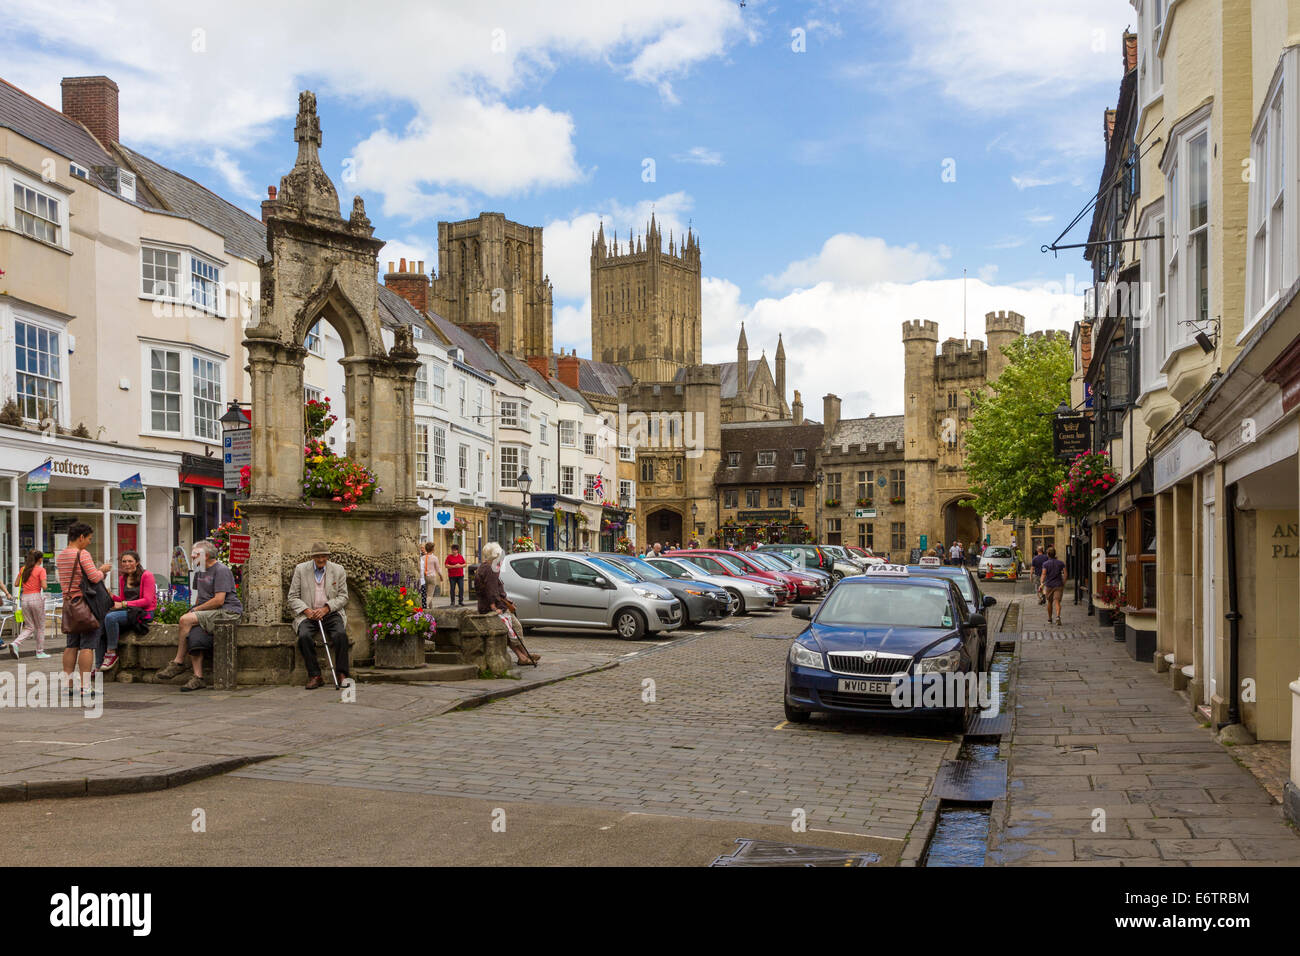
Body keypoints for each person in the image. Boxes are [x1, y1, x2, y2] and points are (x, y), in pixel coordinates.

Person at [155, 541, 242, 692]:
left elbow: (219, 600)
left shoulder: (221, 570)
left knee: (185, 619)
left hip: (227, 611)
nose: (191, 556)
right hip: (208, 612)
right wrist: (195, 609)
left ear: (206, 555)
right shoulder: (200, 569)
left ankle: (179, 662)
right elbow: (199, 597)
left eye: (195, 554)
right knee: (194, 636)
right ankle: (198, 677)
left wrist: (195, 611)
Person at [57, 522, 111, 699]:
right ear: (81, 537)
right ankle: (86, 687)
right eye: (88, 538)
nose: (89, 542)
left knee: (71, 644)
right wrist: (102, 570)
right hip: (86, 605)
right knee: (88, 645)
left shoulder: (62, 555)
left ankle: (67, 685)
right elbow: (94, 577)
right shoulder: (82, 554)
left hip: (69, 604)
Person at [287, 542, 350, 690]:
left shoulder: (338, 570)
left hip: (331, 612)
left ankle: (342, 674)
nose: (321, 560)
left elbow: (343, 597)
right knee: (304, 637)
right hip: (308, 613)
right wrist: (306, 610)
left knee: (340, 635)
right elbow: (292, 597)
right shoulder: (301, 570)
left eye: (324, 556)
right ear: (313, 557)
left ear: (328, 556)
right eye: (317, 557)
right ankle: (315, 675)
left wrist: (327, 608)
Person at [475, 542, 539, 665]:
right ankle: (524, 656)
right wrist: (494, 607)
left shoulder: (485, 566)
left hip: (489, 606)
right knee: (515, 629)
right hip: (495, 607)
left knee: (511, 632)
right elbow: (491, 590)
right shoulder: (490, 569)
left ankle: (523, 656)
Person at [98, 550, 156, 671]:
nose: (126, 564)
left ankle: (111, 652)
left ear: (137, 562)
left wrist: (123, 604)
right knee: (100, 625)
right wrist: (112, 596)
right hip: (129, 612)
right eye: (124, 561)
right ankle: (98, 666)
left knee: (111, 618)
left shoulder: (147, 576)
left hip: (144, 613)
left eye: (130, 561)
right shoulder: (122, 578)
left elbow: (147, 601)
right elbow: (123, 600)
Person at [9, 549, 50, 659]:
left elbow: (16, 584)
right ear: (40, 559)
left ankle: (16, 643)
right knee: (40, 627)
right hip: (36, 598)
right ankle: (40, 652)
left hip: (25, 599)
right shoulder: (41, 570)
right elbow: (44, 586)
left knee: (29, 626)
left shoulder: (23, 569)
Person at [1041, 546, 1067, 625]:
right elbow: (1065, 574)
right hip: (1058, 585)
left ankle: (1049, 618)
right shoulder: (1061, 563)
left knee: (1049, 602)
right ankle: (1058, 617)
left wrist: (1042, 583)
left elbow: (1044, 574)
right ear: (1055, 554)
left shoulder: (1045, 564)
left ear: (1048, 554)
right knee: (1057, 602)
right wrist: (1063, 583)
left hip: (1049, 585)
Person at [419, 542, 444, 608]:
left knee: (427, 593)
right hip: (431, 577)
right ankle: (423, 607)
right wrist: (441, 576)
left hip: (424, 577)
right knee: (430, 595)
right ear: (432, 549)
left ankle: (430, 609)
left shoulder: (422, 558)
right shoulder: (435, 558)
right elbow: (438, 569)